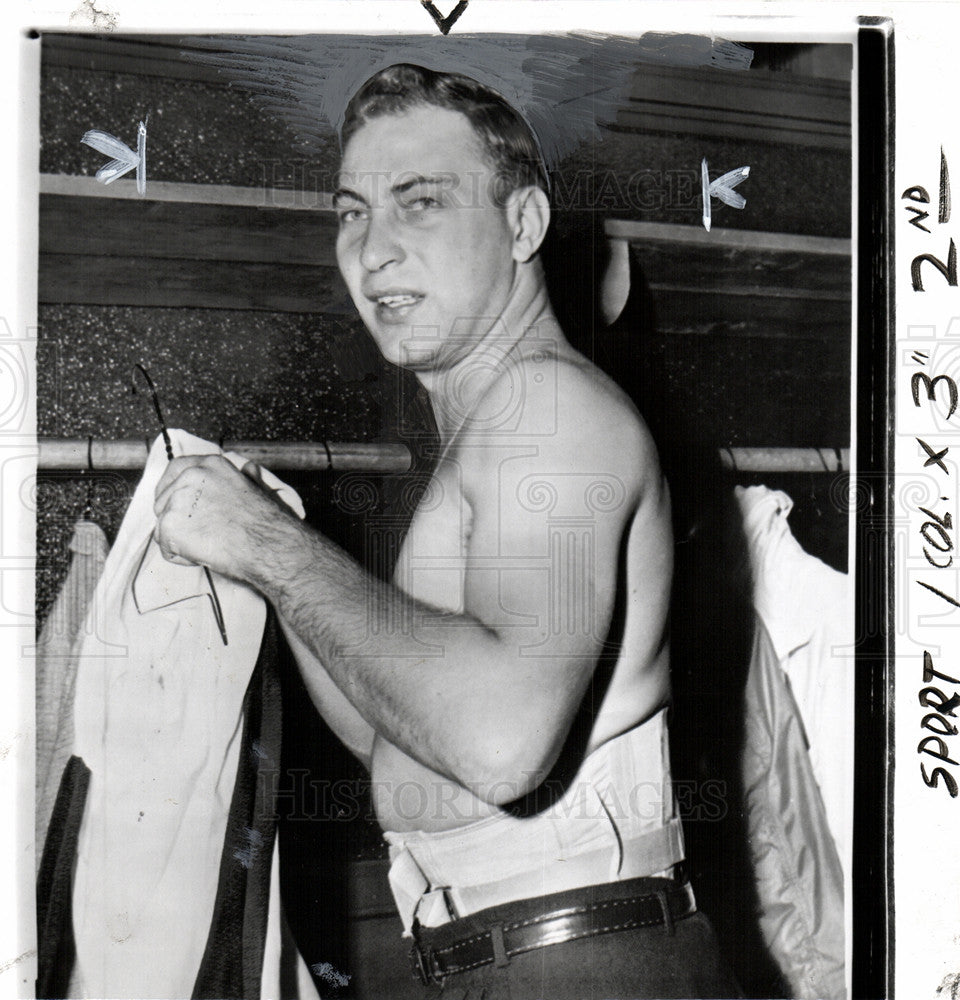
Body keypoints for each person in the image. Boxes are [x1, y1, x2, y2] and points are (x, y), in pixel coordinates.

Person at [153, 63, 739, 999]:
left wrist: (267, 544)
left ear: (524, 224)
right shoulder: (498, 427)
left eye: (419, 202)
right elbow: (405, 748)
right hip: (512, 952)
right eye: (351, 211)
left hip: (574, 960)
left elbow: (497, 744)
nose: (372, 250)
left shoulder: (546, 406)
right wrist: (276, 551)